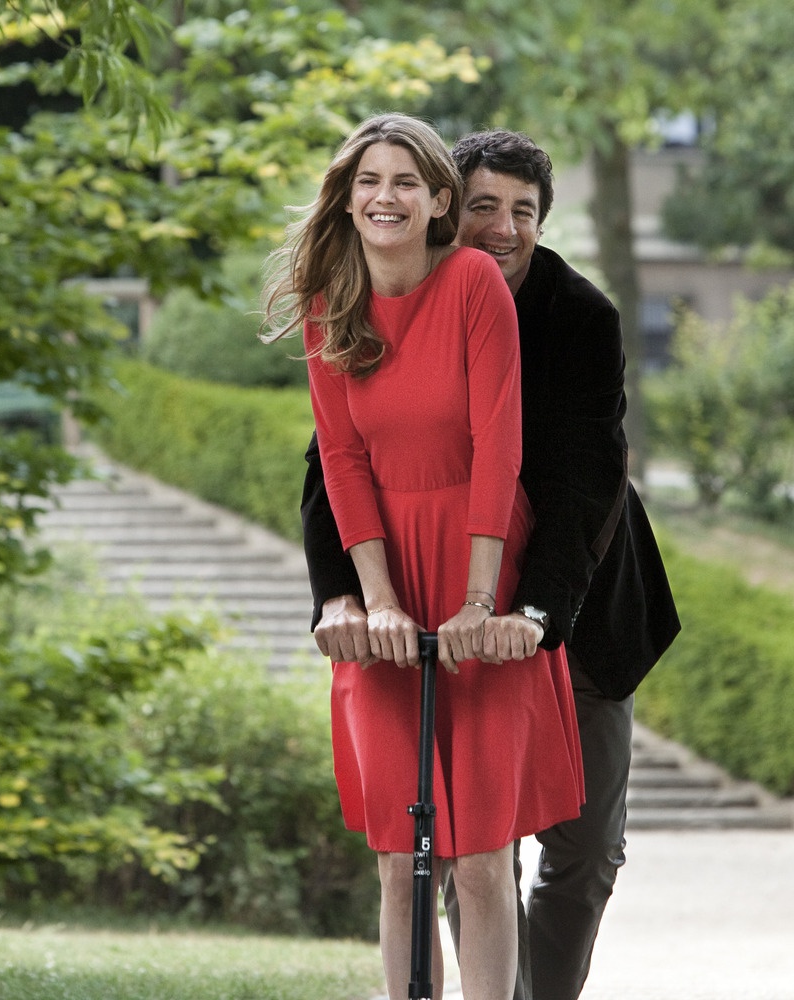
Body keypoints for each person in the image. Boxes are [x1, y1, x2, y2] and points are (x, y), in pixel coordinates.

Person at [301, 128, 680, 1000]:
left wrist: (530, 612)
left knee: (586, 850)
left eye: (523, 212)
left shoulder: (578, 316)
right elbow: (335, 462)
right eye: (484, 206)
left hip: (570, 600)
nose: (503, 227)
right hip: (433, 586)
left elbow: (583, 482)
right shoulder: (378, 293)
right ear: (450, 208)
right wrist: (344, 597)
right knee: (466, 843)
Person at [267, 114, 585, 1000]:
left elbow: (497, 445)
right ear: (346, 197)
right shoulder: (328, 301)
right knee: (399, 857)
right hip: (388, 566)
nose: (386, 197)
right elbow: (341, 460)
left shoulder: (472, 281)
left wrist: (482, 603)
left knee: (480, 856)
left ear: (439, 200)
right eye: (369, 181)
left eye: (405, 181)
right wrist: (374, 601)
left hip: (478, 551)